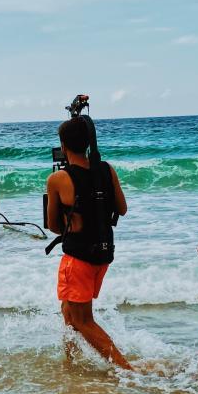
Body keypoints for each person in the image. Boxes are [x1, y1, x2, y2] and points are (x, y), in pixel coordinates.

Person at [45, 117, 132, 370]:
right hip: (103, 254)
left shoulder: (58, 179)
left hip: (78, 259)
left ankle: (126, 369)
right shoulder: (106, 169)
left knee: (83, 320)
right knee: (69, 310)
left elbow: (53, 226)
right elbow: (122, 209)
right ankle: (70, 361)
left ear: (63, 145)